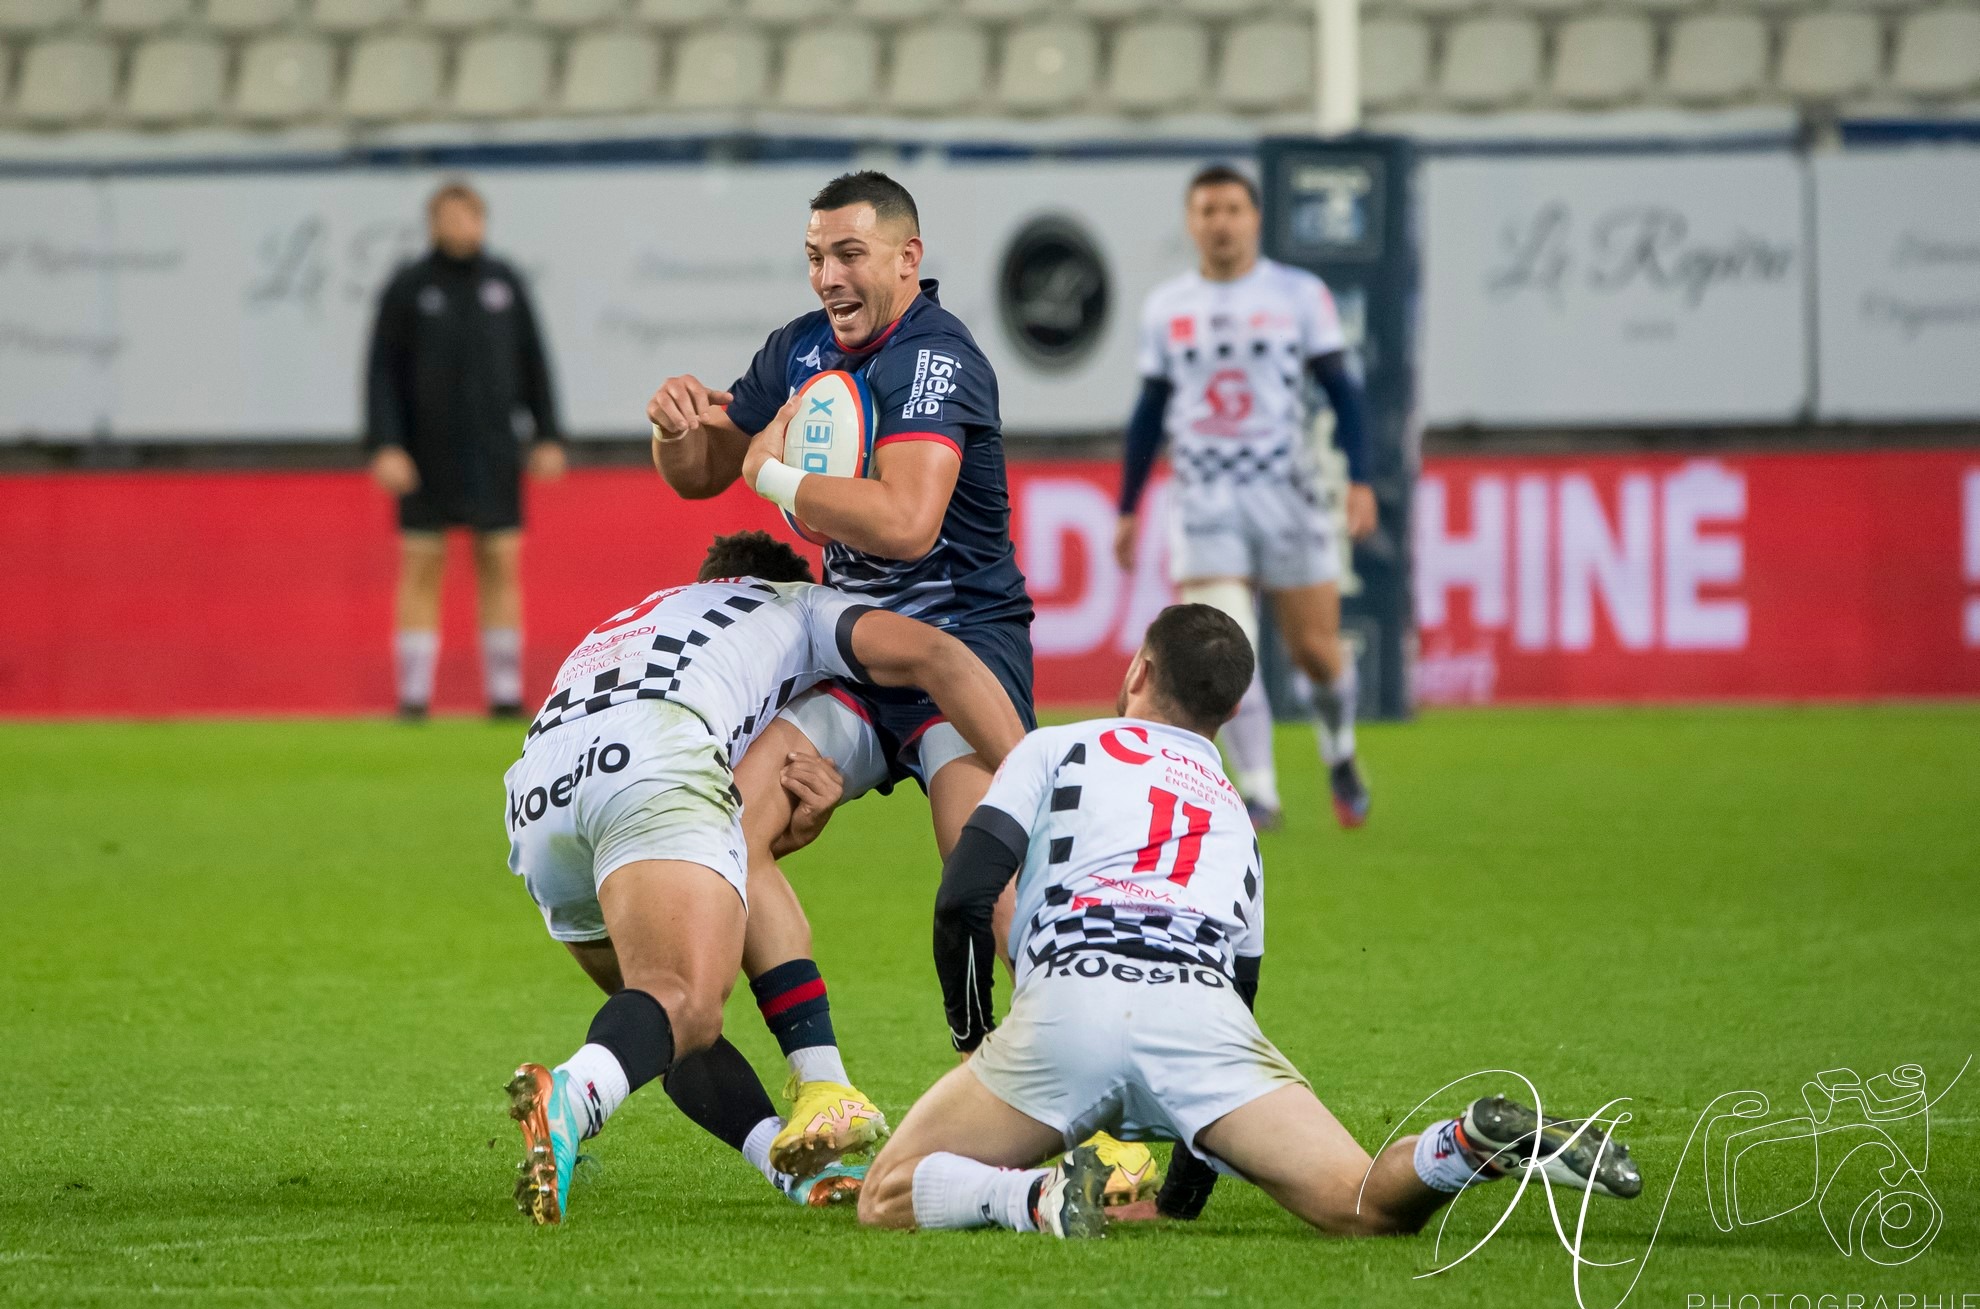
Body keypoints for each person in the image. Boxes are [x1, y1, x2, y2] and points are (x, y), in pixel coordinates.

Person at [855, 604, 1642, 1237]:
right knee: (1359, 1200)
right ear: (1231, 711)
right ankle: (1466, 1143)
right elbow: (1243, 991)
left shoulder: (1060, 747)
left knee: (888, 1193)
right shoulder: (1235, 815)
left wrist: (975, 1038)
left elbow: (964, 897)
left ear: (1140, 670)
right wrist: (1187, 1186)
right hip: (1201, 1016)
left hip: (1072, 1001)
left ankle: (1036, 1199)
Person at [643, 170, 1065, 1179]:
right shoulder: (796, 348)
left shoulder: (935, 361)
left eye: (849, 255)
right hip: (855, 650)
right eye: (815, 256)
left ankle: (1080, 1108)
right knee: (728, 821)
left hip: (962, 650)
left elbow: (909, 521)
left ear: (906, 261)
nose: (829, 275)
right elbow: (707, 470)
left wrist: (775, 477)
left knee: (990, 883)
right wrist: (674, 432)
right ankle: (823, 1085)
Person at [503, 531, 1027, 1224]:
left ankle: (791, 1168)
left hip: (536, 794)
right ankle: (570, 1098)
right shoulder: (802, 604)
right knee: (684, 1001)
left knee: (660, 1021)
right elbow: (935, 654)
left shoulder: (648, 613)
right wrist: (1041, 782)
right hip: (653, 757)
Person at [1115, 163, 1376, 833]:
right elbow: (1149, 411)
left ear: (1254, 218)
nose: (1220, 222)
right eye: (1207, 210)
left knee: (1316, 651)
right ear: (1190, 221)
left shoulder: (1298, 294)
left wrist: (1361, 478)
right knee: (1228, 644)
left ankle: (1339, 750)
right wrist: (1127, 505)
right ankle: (1260, 793)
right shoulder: (1167, 306)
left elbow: (1344, 391)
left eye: (1232, 209)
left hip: (1285, 492)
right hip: (1204, 498)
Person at [365, 180, 564, 721]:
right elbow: (381, 372)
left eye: (468, 216)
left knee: (499, 561)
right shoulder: (408, 287)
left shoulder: (504, 284)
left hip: (494, 451)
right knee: (421, 564)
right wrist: (385, 444)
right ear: (432, 223)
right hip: (423, 455)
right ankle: (413, 696)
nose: (459, 226)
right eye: (448, 217)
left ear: (482, 221)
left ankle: (504, 693)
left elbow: (534, 363)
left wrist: (547, 433)